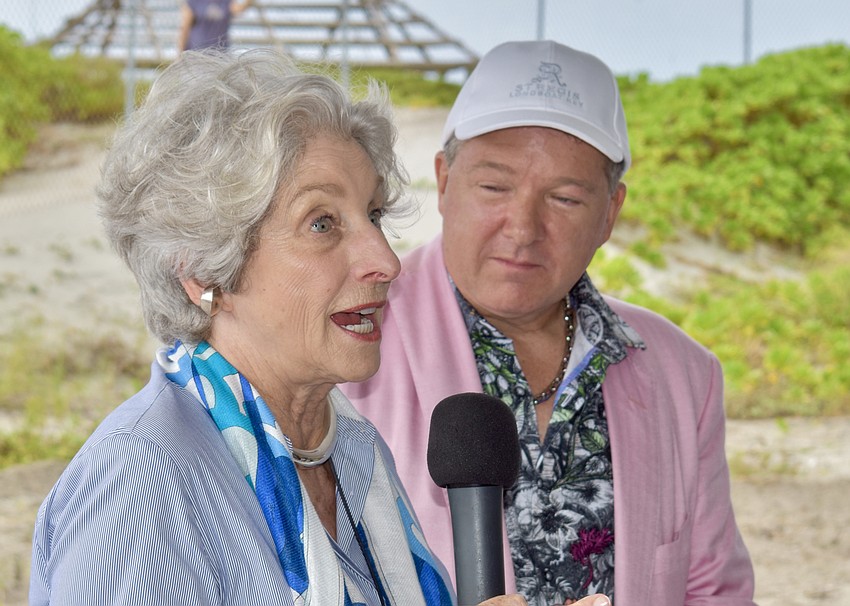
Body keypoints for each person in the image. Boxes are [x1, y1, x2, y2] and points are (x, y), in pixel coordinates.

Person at [28, 49, 560, 606]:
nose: (385, 260)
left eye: (373, 215)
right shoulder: (141, 485)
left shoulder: (353, 448)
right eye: (322, 222)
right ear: (205, 268)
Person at [341, 40, 756, 606]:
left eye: (564, 198)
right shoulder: (348, 340)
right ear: (443, 181)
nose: (522, 227)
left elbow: (714, 590)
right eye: (494, 187)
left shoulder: (685, 374)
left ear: (610, 214)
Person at [178, 0, 253, 52]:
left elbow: (239, 9)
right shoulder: (194, 2)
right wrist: (180, 54)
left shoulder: (226, 1)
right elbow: (185, 29)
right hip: (197, 52)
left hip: (220, 53)